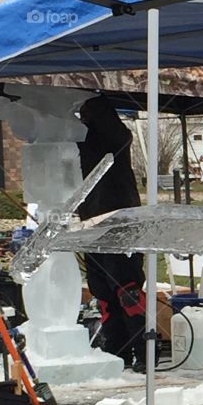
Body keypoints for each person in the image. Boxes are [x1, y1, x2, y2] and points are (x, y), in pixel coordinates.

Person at [76, 96, 147, 371]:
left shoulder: (111, 137)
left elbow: (115, 137)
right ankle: (117, 350)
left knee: (126, 290)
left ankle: (142, 350)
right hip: (92, 223)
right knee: (104, 292)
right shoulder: (88, 141)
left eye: (85, 114)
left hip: (119, 222)